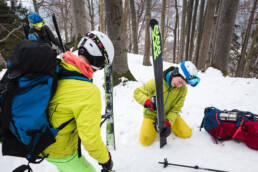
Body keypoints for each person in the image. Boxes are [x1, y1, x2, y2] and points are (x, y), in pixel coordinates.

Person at [42, 31, 114, 172]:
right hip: (60, 151)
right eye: (103, 64)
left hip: (42, 141)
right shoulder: (88, 92)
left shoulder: (59, 66)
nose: (100, 69)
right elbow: (90, 139)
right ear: (98, 60)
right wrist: (106, 159)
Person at [133, 61, 200, 146]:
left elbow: (176, 109)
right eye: (180, 81)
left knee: (186, 133)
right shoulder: (157, 81)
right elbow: (137, 92)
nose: (180, 86)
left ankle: (167, 125)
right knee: (145, 141)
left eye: (183, 84)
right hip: (152, 114)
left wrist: (168, 122)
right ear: (175, 73)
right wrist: (147, 102)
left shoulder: (183, 90)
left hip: (168, 115)